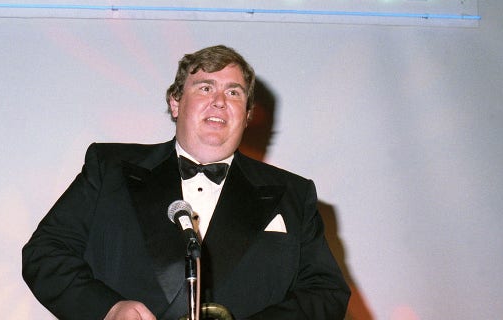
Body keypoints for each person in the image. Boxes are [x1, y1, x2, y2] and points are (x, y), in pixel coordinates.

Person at [22, 45, 350, 320]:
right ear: (175, 102)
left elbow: (326, 292)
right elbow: (45, 254)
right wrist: (107, 309)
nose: (220, 100)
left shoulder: (294, 194)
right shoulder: (109, 168)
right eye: (205, 87)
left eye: (234, 92)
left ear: (248, 114)